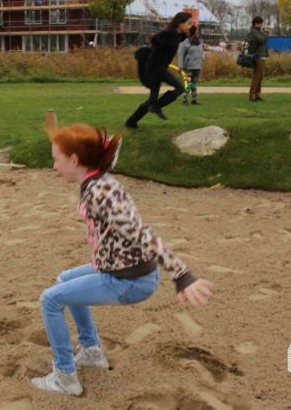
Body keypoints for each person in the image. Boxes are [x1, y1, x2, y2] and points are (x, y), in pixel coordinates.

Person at [31, 123, 214, 396]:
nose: (54, 166)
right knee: (64, 281)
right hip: (116, 269)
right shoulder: (96, 180)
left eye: (57, 159)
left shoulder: (100, 192)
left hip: (130, 281)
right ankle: (91, 351)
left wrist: (182, 274)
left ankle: (65, 377)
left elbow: (141, 233)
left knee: (50, 299)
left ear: (74, 160)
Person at [125, 12, 192, 128]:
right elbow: (156, 39)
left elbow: (174, 40)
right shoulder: (170, 34)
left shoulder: (175, 35)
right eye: (188, 23)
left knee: (152, 99)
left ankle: (131, 122)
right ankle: (156, 106)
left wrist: (188, 32)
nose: (189, 26)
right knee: (180, 88)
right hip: (157, 69)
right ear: (180, 23)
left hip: (156, 68)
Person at [177, 25, 204, 105]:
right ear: (192, 33)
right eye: (196, 33)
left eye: (198, 33)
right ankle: (185, 99)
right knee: (189, 84)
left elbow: (201, 52)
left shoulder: (199, 43)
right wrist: (180, 66)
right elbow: (180, 55)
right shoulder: (185, 43)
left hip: (197, 67)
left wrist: (203, 58)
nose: (198, 34)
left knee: (193, 83)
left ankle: (194, 99)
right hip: (188, 68)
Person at [246, 16, 269, 102]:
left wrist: (264, 33)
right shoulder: (253, 32)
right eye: (260, 23)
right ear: (255, 23)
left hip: (262, 56)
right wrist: (266, 33)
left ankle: (257, 94)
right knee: (257, 76)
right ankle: (252, 95)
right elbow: (261, 40)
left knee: (260, 76)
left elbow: (263, 39)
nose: (261, 25)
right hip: (257, 56)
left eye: (261, 23)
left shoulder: (259, 31)